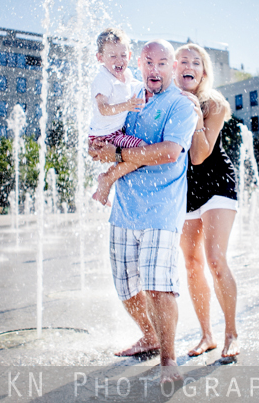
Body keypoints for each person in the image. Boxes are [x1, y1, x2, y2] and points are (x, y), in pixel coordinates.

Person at [89, 39, 198, 384]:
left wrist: (117, 157)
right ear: (139, 63)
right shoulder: (129, 97)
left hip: (161, 210)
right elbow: (106, 137)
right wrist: (99, 149)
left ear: (172, 68)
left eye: (162, 63)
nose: (154, 69)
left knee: (157, 286)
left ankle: (169, 360)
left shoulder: (180, 106)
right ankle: (149, 336)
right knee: (124, 286)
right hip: (123, 209)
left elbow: (169, 152)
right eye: (148, 62)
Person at [174, 43, 240, 359]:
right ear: (174, 69)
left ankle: (231, 334)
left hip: (216, 183)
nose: (188, 65)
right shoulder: (168, 102)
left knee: (215, 259)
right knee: (191, 263)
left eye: (195, 62)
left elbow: (199, 155)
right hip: (187, 188)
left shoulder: (214, 104)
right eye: (182, 60)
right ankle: (206, 336)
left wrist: (194, 112)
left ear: (203, 72)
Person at [88, 27, 146, 205]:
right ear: (100, 58)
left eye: (122, 55)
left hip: (114, 133)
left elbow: (140, 86)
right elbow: (103, 109)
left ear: (129, 56)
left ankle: (104, 186)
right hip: (105, 137)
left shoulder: (126, 75)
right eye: (112, 56)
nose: (119, 60)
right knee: (142, 151)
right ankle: (107, 180)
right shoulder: (103, 79)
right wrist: (127, 106)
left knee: (138, 154)